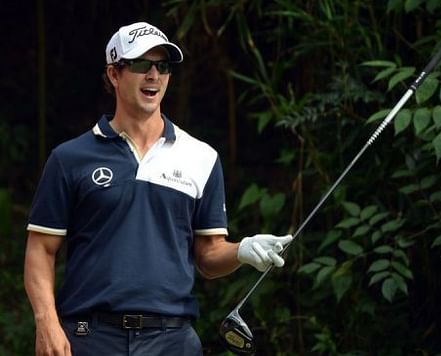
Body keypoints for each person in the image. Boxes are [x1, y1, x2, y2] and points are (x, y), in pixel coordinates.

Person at [24, 21, 292, 356]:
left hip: (172, 341)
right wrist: (46, 321)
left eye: (163, 66)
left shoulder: (201, 157)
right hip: (89, 337)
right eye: (141, 64)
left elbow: (208, 256)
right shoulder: (70, 158)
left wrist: (241, 250)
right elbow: (41, 249)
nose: (154, 75)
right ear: (114, 74)